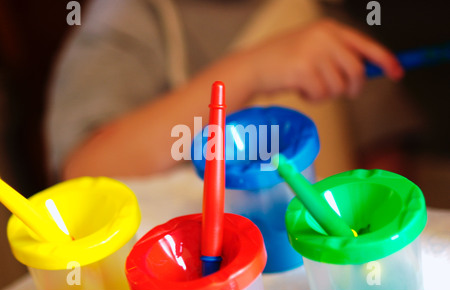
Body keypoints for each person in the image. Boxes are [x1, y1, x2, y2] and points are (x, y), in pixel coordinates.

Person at [45, 0, 403, 182]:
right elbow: (87, 170)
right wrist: (252, 70)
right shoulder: (132, 18)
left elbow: (384, 151)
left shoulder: (316, 11)